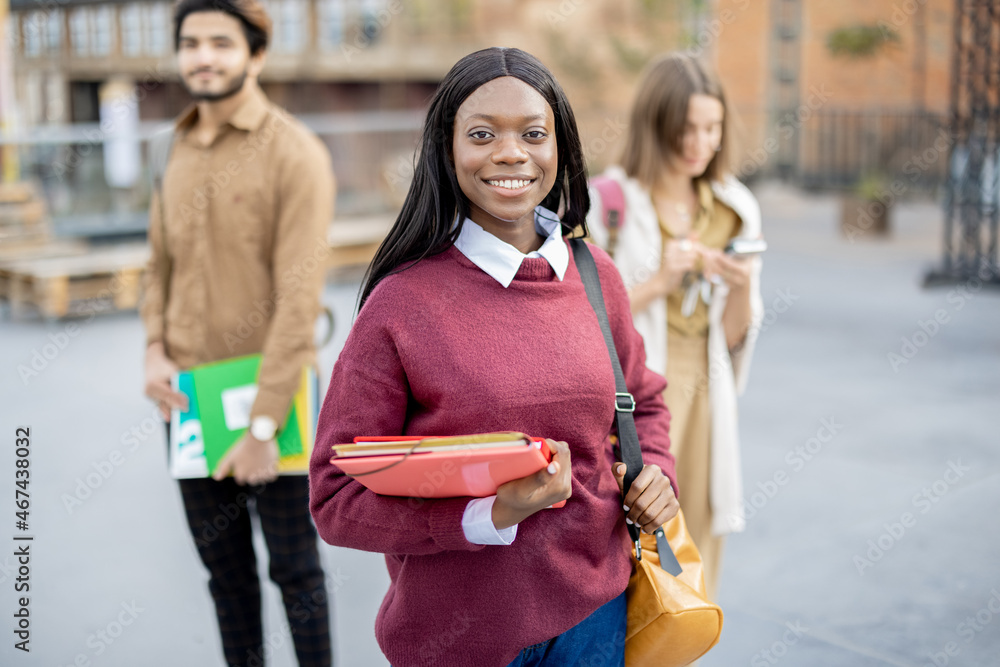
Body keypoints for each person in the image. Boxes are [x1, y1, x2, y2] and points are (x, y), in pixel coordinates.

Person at [308, 47, 678, 667]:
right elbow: (335, 500)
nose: (511, 153)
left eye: (534, 134)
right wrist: (487, 515)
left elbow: (644, 402)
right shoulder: (401, 303)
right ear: (447, 150)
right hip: (459, 638)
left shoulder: (597, 277)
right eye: (482, 135)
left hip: (596, 619)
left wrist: (655, 474)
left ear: (561, 149)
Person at [139, 0, 334, 664]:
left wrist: (260, 428)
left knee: (296, 571)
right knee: (226, 577)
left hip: (272, 399)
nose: (203, 55)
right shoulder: (167, 146)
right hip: (190, 400)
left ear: (255, 54)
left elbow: (299, 299)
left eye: (221, 42)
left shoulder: (295, 154)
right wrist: (153, 348)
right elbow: (156, 263)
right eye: (191, 42)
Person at [587, 52, 764, 600]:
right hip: (635, 399)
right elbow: (582, 317)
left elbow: (736, 336)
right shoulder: (609, 202)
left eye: (711, 128)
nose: (698, 143)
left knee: (698, 548)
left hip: (709, 395)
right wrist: (659, 282)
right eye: (685, 128)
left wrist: (740, 287)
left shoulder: (735, 207)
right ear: (655, 124)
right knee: (632, 544)